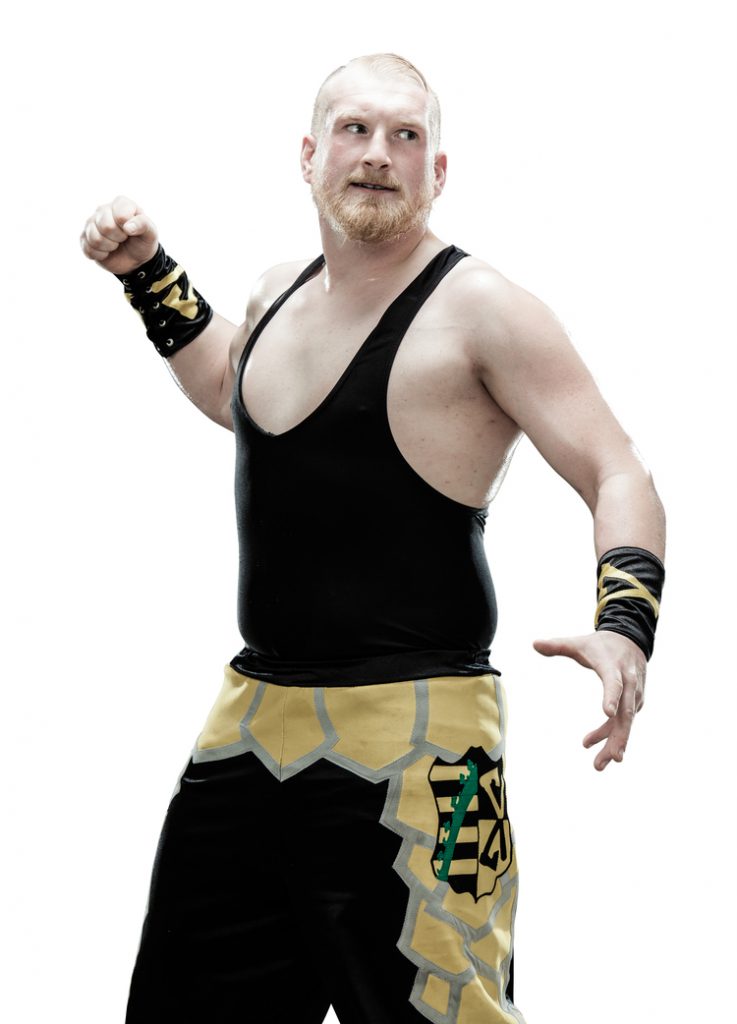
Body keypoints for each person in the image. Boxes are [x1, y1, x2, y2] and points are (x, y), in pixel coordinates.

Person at [80, 52, 665, 1024]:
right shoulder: (276, 292)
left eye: (406, 135)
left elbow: (616, 470)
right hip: (251, 726)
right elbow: (232, 389)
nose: (377, 154)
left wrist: (625, 625)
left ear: (438, 169)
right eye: (354, 129)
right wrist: (148, 274)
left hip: (424, 746)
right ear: (309, 154)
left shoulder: (483, 310)